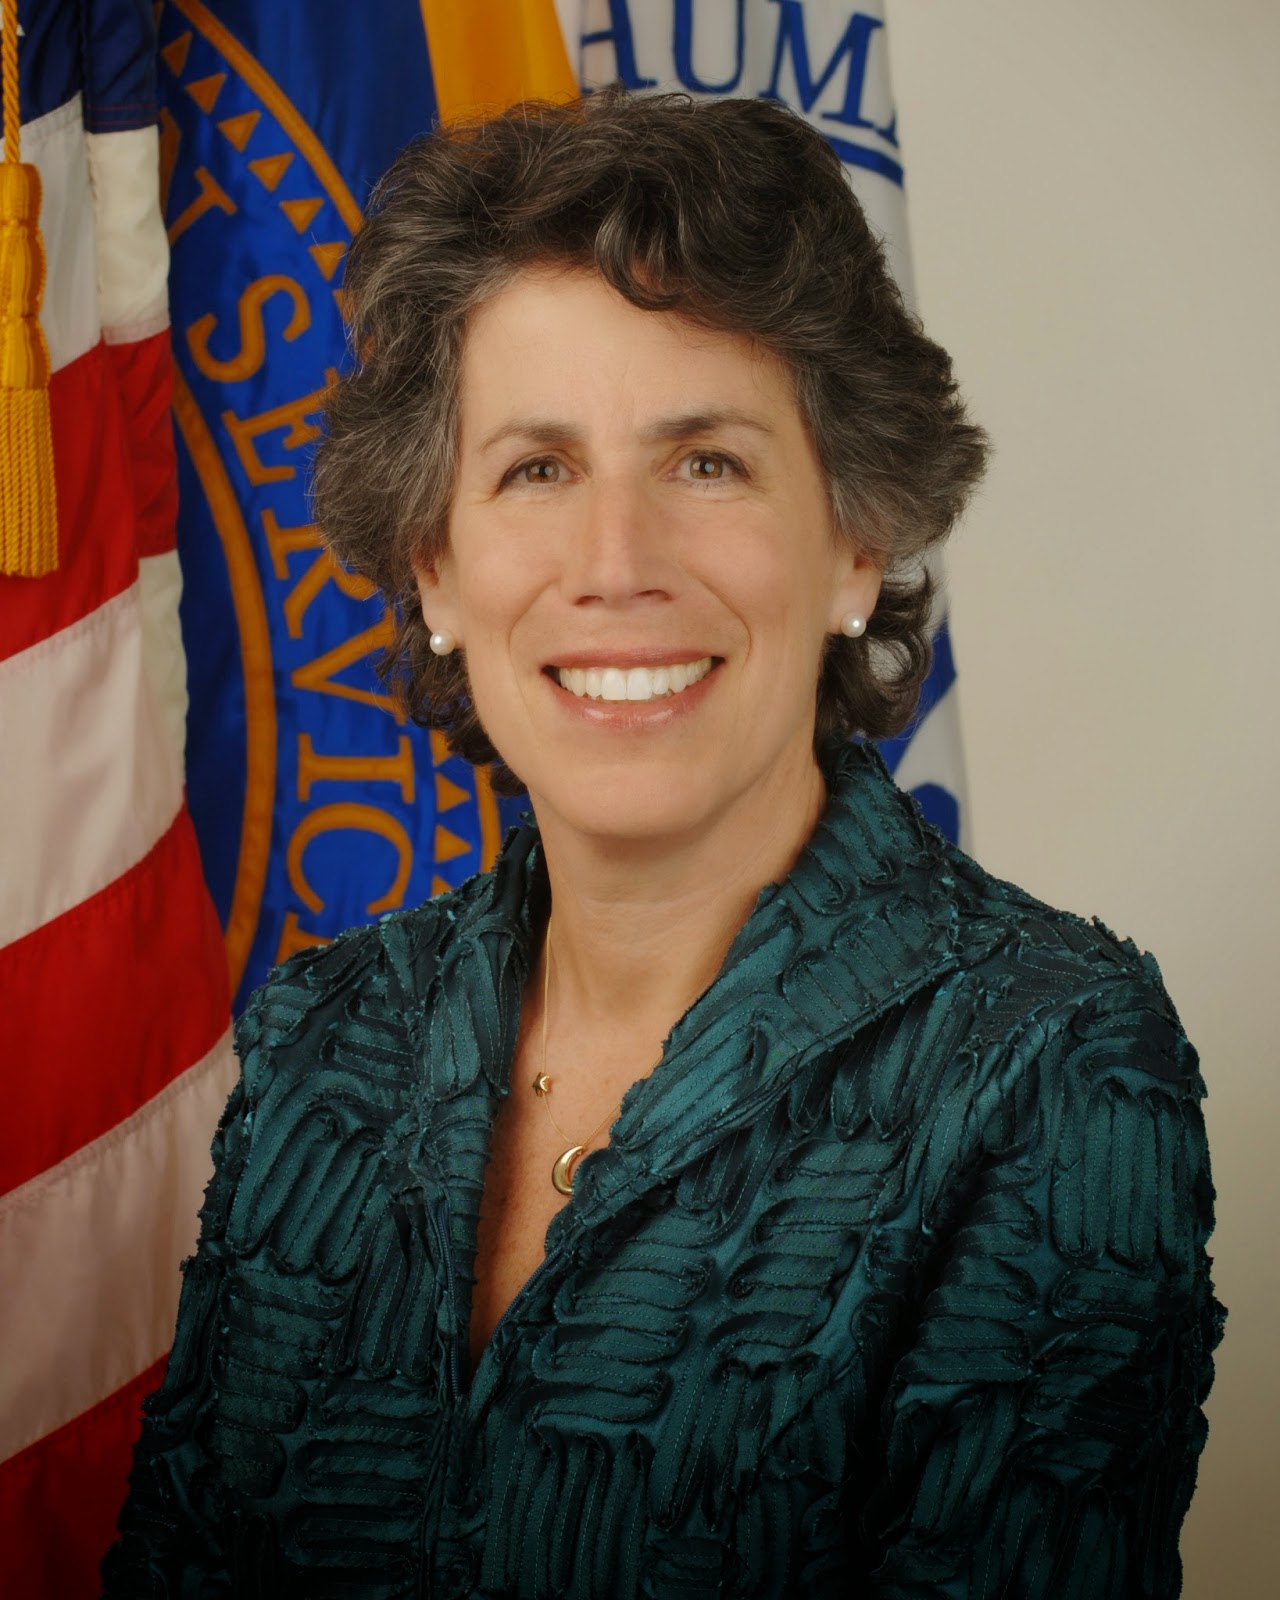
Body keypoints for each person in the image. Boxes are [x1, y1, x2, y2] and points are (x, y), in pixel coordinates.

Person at [103, 88, 1222, 1598]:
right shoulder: (327, 1039)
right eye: (538, 469)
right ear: (435, 569)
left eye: (706, 462)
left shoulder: (1051, 1066)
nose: (615, 564)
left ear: (858, 541)